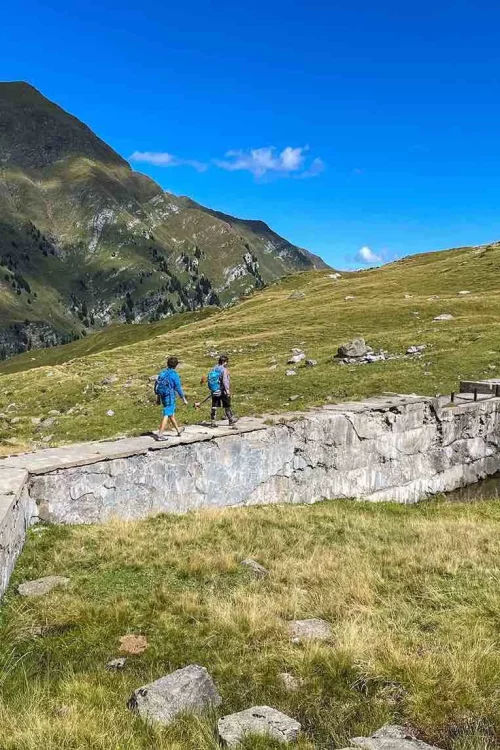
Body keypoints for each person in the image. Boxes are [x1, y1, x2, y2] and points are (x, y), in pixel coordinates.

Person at [198, 355, 238, 428]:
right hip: (222, 390)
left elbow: (210, 378)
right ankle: (231, 421)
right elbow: (225, 381)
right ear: (224, 362)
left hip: (215, 390)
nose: (227, 363)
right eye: (226, 362)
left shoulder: (213, 368)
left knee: (214, 406)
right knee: (227, 406)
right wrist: (228, 391)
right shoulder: (224, 370)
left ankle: (213, 422)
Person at [154, 356, 188, 440]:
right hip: (169, 396)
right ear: (176, 365)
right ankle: (160, 435)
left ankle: (178, 430)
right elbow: (178, 388)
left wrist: (158, 398)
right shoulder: (174, 375)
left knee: (170, 413)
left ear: (167, 364)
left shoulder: (162, 373)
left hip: (162, 395)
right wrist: (183, 398)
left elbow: (157, 384)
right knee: (167, 413)